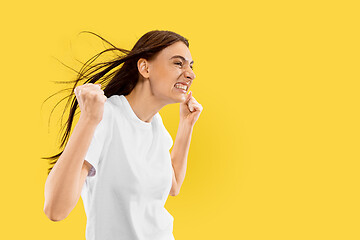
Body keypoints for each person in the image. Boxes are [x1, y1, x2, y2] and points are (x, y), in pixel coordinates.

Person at [43, 30, 203, 240]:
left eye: (191, 66)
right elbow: (55, 210)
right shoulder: (106, 116)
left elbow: (172, 185)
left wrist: (186, 124)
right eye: (178, 63)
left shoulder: (156, 124)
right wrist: (89, 119)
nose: (190, 73)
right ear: (145, 68)